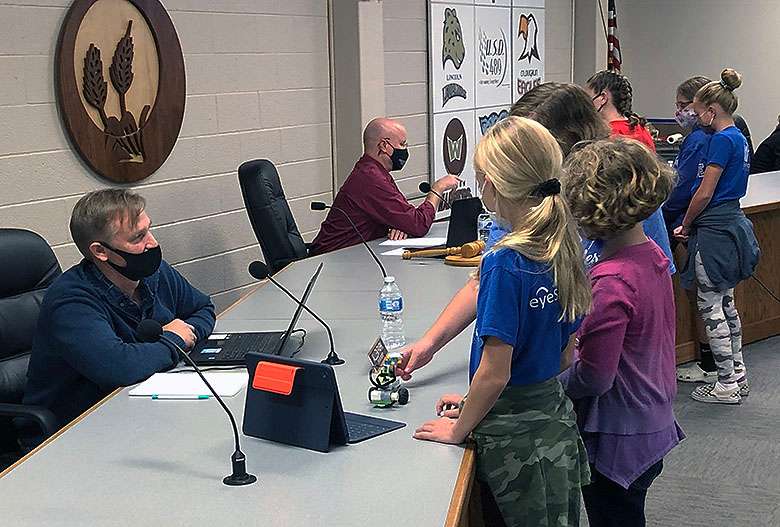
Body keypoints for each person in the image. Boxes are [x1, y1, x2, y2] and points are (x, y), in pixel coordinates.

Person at [398, 82, 674, 381]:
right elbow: (485, 281)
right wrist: (430, 343)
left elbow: (653, 290)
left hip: (600, 382)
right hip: (530, 382)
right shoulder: (518, 201)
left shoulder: (621, 194)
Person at [413, 116, 591, 526]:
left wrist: (460, 429)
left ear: (491, 183)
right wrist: (477, 403)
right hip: (553, 425)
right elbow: (564, 356)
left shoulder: (504, 262)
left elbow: (495, 374)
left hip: (516, 448)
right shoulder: (563, 244)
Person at [22, 189, 216, 445]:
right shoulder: (70, 299)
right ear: (100, 252)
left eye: (149, 229)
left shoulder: (152, 273)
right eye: (138, 237)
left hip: (141, 411)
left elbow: (203, 308)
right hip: (73, 431)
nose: (153, 243)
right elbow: (118, 368)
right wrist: (174, 340)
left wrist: (183, 334)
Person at [560, 138, 684, 526]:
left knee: (613, 516)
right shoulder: (651, 255)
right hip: (651, 417)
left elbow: (595, 377)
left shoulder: (612, 281)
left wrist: (545, 382)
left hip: (619, 433)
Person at [674, 69, 760, 404]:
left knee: (710, 305)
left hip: (713, 228)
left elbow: (704, 192)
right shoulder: (738, 136)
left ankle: (724, 383)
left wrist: (686, 222)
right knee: (727, 303)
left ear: (712, 109)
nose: (696, 118)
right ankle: (736, 373)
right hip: (732, 223)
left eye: (698, 112)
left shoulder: (721, 140)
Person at [309, 117, 460, 255]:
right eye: (402, 144)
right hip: (331, 259)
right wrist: (437, 189)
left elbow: (405, 218)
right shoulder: (371, 179)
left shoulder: (373, 172)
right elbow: (418, 223)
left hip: (356, 255)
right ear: (383, 146)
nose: (405, 149)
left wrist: (400, 226)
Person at [585, 70, 656, 151]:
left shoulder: (605, 136)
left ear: (603, 98)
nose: (586, 104)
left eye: (588, 98)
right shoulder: (642, 130)